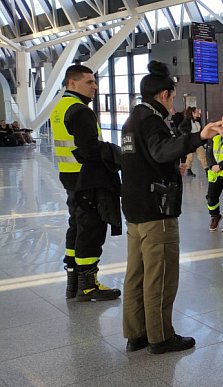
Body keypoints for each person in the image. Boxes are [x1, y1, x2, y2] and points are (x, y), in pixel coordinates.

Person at [121, 60, 223, 354]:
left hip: (136, 210)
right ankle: (161, 336)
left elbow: (144, 159)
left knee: (136, 275)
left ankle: (137, 333)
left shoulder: (133, 120)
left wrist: (165, 171)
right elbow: (160, 149)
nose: (174, 100)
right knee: (161, 275)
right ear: (164, 94)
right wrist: (198, 137)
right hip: (156, 213)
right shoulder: (152, 120)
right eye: (173, 95)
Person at [50, 64, 121, 302]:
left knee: (77, 227)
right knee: (91, 229)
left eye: (94, 82)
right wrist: (115, 152)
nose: (94, 86)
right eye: (89, 82)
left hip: (70, 178)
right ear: (72, 83)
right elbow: (90, 149)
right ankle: (88, 286)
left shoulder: (59, 108)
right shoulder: (80, 111)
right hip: (87, 180)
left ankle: (73, 282)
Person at [180, 107, 206, 176]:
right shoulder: (187, 120)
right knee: (190, 156)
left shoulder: (198, 120)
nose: (198, 113)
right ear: (193, 113)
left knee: (202, 155)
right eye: (197, 112)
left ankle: (207, 170)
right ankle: (188, 170)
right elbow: (180, 128)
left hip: (197, 140)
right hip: (190, 141)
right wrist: (187, 134)